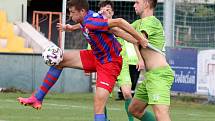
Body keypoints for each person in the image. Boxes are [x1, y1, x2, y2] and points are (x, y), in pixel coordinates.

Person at [17, 0, 148, 121]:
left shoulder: (92, 22)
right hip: (96, 56)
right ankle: (37, 98)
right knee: (60, 61)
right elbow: (99, 27)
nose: (70, 15)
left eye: (72, 12)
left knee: (98, 105)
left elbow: (118, 22)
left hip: (110, 62)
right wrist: (70, 28)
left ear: (82, 12)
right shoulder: (87, 18)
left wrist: (140, 39)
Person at [128, 0, 175, 121]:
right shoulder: (140, 22)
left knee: (161, 114)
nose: (134, 5)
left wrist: (115, 25)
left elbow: (137, 39)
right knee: (134, 110)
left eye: (137, 2)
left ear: (147, 3)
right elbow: (122, 31)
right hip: (150, 76)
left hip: (159, 75)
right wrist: (105, 22)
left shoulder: (151, 21)